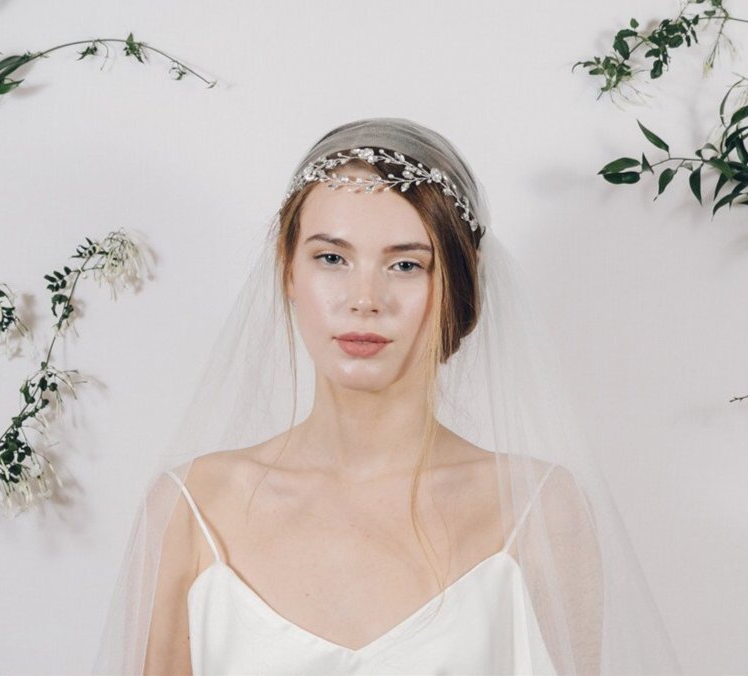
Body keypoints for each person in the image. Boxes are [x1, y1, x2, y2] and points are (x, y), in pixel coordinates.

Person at [94, 118, 679, 675]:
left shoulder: (540, 510)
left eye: (405, 264)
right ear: (288, 272)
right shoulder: (191, 509)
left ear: (456, 283)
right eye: (331, 258)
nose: (364, 298)